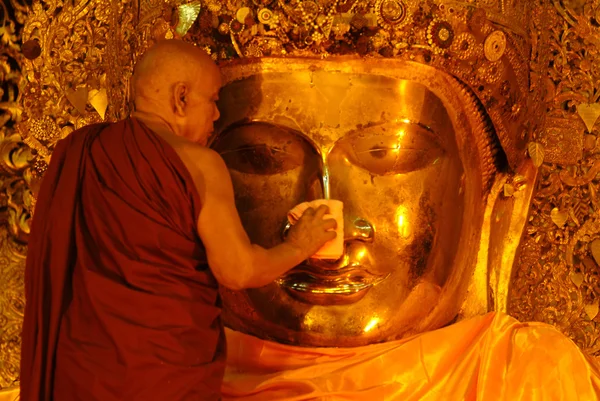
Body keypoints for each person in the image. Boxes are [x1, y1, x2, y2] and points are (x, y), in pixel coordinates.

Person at [19, 40, 337, 401]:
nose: (217, 116)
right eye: (214, 100)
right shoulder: (197, 163)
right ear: (181, 98)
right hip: (162, 374)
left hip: (86, 368)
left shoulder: (82, 151)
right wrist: (299, 244)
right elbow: (238, 271)